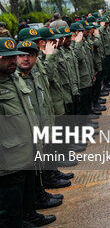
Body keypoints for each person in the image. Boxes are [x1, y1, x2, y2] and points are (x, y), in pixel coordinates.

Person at [0, 37, 56, 227]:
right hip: (8, 159)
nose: (12, 61)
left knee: (25, 195)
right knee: (10, 208)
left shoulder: (14, 78)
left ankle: (29, 216)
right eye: (5, 58)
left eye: (11, 56)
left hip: (26, 150)